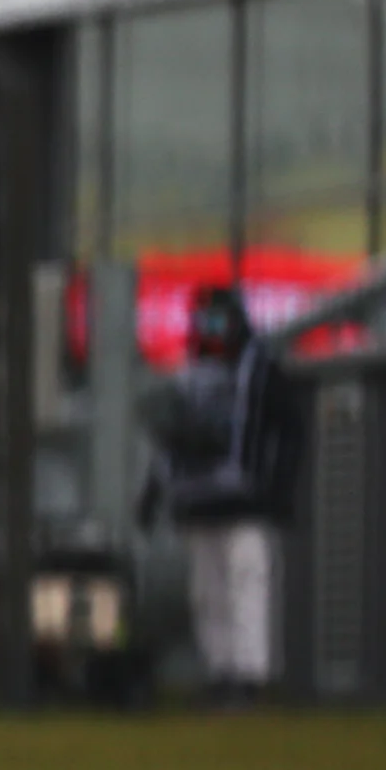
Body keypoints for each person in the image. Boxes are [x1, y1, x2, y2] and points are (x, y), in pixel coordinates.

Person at [138, 283, 297, 696]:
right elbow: (167, 440)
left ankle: (250, 674)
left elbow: (288, 433)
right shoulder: (188, 378)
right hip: (199, 499)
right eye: (203, 321)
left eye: (217, 321)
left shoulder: (259, 373)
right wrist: (154, 493)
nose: (210, 331)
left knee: (247, 586)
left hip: (244, 500)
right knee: (207, 592)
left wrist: (278, 489)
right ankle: (221, 670)